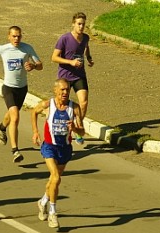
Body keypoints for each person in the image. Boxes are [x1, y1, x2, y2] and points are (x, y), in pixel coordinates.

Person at [31, 78, 84, 228]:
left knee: (54, 181)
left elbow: (82, 132)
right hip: (49, 147)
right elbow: (33, 112)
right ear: (55, 91)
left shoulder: (74, 108)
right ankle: (53, 212)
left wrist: (74, 128)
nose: (65, 93)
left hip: (65, 149)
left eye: (67, 89)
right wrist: (35, 131)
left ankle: (42, 202)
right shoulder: (48, 105)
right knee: (55, 177)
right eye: (62, 90)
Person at [0, 25, 43, 163]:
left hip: (22, 88)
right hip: (9, 88)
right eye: (14, 36)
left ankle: (1, 127)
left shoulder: (27, 48)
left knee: (11, 115)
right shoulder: (3, 48)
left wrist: (33, 66)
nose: (16, 39)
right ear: (9, 36)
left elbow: (40, 65)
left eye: (19, 36)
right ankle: (15, 151)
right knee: (15, 116)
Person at [51, 12, 94, 145]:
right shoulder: (64, 39)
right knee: (62, 104)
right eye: (79, 24)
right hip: (65, 76)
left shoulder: (86, 37)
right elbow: (54, 57)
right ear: (73, 24)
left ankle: (77, 127)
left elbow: (86, 48)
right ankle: (58, 128)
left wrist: (89, 58)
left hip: (79, 75)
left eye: (83, 24)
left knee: (84, 102)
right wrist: (70, 62)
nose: (81, 27)